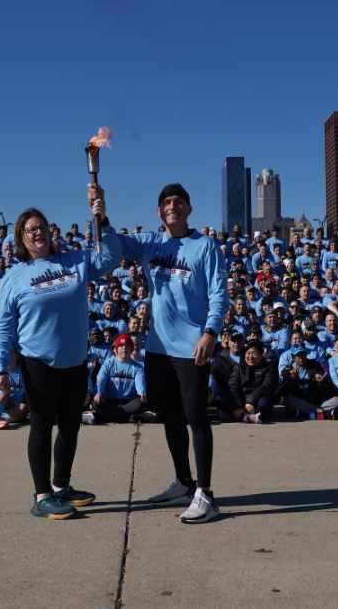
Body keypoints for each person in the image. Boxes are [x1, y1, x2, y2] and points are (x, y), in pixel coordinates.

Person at [0, 193, 118, 520]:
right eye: (30, 230)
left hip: (74, 362)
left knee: (71, 427)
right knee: (42, 426)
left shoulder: (74, 261)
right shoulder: (14, 277)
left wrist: (101, 220)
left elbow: (110, 259)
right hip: (38, 363)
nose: (38, 233)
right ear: (21, 238)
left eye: (42, 227)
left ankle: (62, 487)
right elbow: (4, 326)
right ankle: (42, 494)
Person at [114, 183, 228, 525]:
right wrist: (100, 214)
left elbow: (219, 293)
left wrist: (210, 332)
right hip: (157, 347)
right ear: (158, 211)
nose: (172, 206)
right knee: (169, 416)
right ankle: (183, 481)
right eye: (166, 202)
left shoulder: (205, 246)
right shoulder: (151, 244)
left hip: (192, 345)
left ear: (189, 209)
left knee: (196, 418)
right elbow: (113, 244)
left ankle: (205, 493)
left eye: (179, 201)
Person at [85, 334, 147, 424]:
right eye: (121, 346)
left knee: (139, 402)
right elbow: (101, 379)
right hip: (109, 401)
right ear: (116, 349)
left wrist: (142, 393)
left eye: (127, 346)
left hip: (128, 403)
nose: (124, 348)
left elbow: (140, 382)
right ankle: (124, 417)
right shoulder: (108, 363)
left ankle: (107, 416)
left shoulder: (138, 367)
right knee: (96, 401)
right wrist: (99, 392)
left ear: (131, 348)